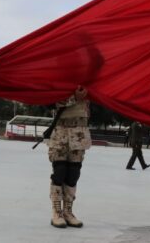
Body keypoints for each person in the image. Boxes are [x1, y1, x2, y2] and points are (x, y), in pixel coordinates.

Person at [48, 86, 91, 229]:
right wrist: (74, 98)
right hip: (61, 132)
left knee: (73, 174)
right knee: (59, 172)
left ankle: (68, 212)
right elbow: (49, 101)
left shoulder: (89, 83)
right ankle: (56, 212)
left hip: (80, 133)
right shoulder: (61, 79)